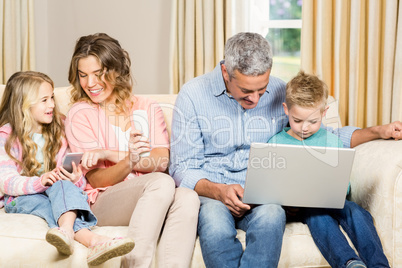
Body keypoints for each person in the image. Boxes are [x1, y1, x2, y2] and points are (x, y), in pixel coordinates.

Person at [169, 32, 401, 267]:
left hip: (264, 198)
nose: (256, 99)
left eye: (262, 89)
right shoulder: (192, 95)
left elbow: (324, 136)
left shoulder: (281, 91)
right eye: (246, 92)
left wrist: (378, 131)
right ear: (226, 73)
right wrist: (219, 191)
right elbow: (181, 167)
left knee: (272, 215)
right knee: (215, 225)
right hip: (213, 194)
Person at [64, 33, 200, 268]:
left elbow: (161, 160)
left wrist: (108, 154)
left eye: (99, 74)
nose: (90, 84)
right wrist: (128, 161)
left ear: (117, 70)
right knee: (160, 182)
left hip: (153, 193)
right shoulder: (80, 114)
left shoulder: (147, 106)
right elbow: (96, 180)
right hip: (104, 200)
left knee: (188, 197)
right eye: (83, 75)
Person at [0, 71, 135, 266]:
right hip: (21, 197)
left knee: (63, 186)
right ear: (23, 104)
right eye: (44, 100)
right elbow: (6, 181)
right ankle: (93, 240)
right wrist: (39, 182)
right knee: (50, 205)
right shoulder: (6, 136)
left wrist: (76, 178)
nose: (52, 105)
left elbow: (74, 175)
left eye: (52, 97)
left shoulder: (60, 129)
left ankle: (66, 231)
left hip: (57, 189)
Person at [268, 71, 390, 268]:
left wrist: (340, 190)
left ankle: (379, 265)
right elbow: (271, 185)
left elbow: (344, 183)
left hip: (334, 201)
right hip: (302, 209)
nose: (304, 128)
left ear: (324, 113)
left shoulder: (332, 141)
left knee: (356, 211)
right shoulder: (276, 143)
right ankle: (349, 262)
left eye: (313, 121)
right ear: (286, 110)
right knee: (318, 217)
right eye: (297, 120)